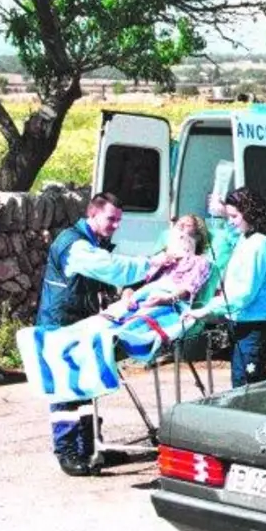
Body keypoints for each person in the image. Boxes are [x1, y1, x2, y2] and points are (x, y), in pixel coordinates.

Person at [36, 191, 169, 476]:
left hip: (83, 324)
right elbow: (110, 269)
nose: (116, 225)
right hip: (61, 325)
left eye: (119, 220)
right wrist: (150, 264)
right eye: (111, 218)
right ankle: (68, 453)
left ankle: (91, 447)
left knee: (87, 387)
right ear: (92, 214)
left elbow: (105, 280)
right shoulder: (74, 246)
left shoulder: (95, 241)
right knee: (66, 392)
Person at [186, 187, 266, 388]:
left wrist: (208, 308)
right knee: (244, 377)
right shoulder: (245, 237)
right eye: (229, 215)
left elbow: (244, 294)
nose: (230, 221)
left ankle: (254, 418)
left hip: (256, 324)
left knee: (247, 381)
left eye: (234, 216)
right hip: (244, 321)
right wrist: (219, 212)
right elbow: (229, 234)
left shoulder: (259, 245)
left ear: (249, 213)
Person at [107, 214, 212, 315]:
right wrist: (127, 297)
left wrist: (167, 299)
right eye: (179, 223)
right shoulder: (161, 257)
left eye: (187, 225)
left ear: (197, 236)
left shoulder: (200, 262)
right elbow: (134, 283)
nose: (180, 225)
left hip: (167, 304)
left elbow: (188, 288)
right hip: (141, 299)